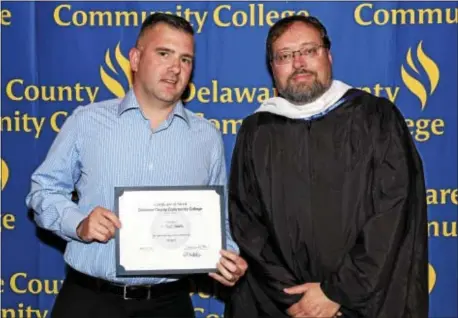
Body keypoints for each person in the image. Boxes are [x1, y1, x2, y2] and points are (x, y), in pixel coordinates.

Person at [26, 13, 247, 318]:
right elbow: (43, 191)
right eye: (164, 53)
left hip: (169, 305)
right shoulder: (86, 121)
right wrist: (78, 222)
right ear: (135, 58)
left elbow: (218, 219)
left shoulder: (206, 137)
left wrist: (228, 255)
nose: (175, 68)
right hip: (90, 300)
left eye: (185, 59)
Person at [226, 15, 428, 318]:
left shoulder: (376, 119)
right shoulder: (257, 131)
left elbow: (393, 214)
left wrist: (336, 293)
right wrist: (296, 299)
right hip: (286, 306)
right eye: (285, 56)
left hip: (366, 302)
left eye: (309, 50)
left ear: (328, 56)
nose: (299, 63)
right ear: (272, 68)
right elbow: (247, 223)